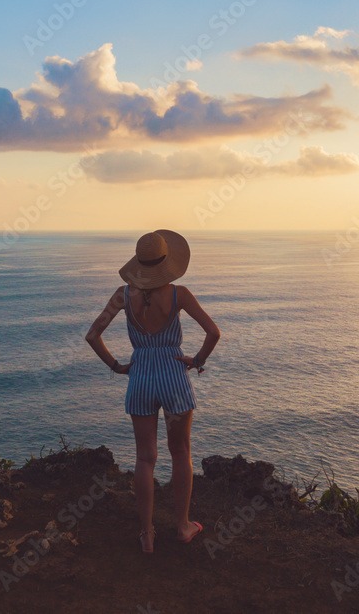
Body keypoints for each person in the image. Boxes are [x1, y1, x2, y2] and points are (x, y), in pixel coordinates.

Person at [85, 230, 220, 554]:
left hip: (141, 376)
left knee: (145, 458)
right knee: (180, 453)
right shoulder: (179, 294)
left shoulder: (122, 295)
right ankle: (183, 527)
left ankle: (147, 535)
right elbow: (213, 332)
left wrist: (117, 366)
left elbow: (93, 335)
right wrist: (196, 361)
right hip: (174, 376)